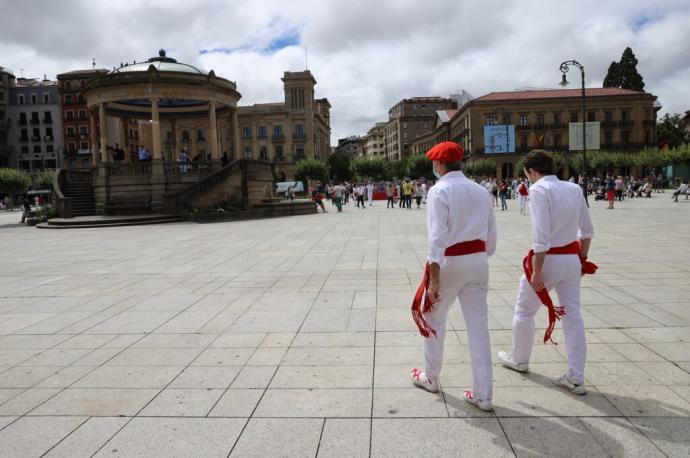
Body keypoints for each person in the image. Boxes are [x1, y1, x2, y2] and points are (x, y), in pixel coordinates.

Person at [497, 150, 595, 396]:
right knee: (573, 315)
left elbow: (540, 238)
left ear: (531, 171)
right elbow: (587, 230)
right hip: (571, 259)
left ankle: (520, 358)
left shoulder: (539, 190)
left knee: (524, 310)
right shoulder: (573, 189)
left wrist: (536, 270)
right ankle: (576, 376)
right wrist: (581, 259)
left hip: (548, 259)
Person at [410, 141, 497, 412]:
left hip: (449, 262)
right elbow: (492, 237)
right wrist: (480, 258)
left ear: (438, 164)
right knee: (478, 327)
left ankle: (431, 377)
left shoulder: (440, 190)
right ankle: (484, 394)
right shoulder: (482, 191)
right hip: (478, 261)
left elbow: (436, 237)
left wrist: (434, 279)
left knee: (435, 319)